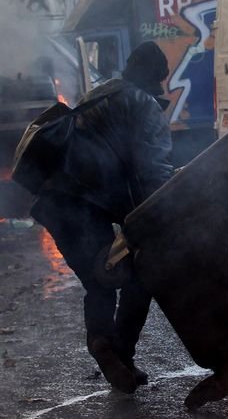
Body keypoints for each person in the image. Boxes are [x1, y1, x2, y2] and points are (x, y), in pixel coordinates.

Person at [28, 41, 174, 393]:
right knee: (140, 278)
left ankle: (107, 349)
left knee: (101, 282)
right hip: (85, 204)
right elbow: (152, 173)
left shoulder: (101, 93)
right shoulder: (142, 103)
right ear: (157, 77)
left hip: (56, 202)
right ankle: (118, 351)